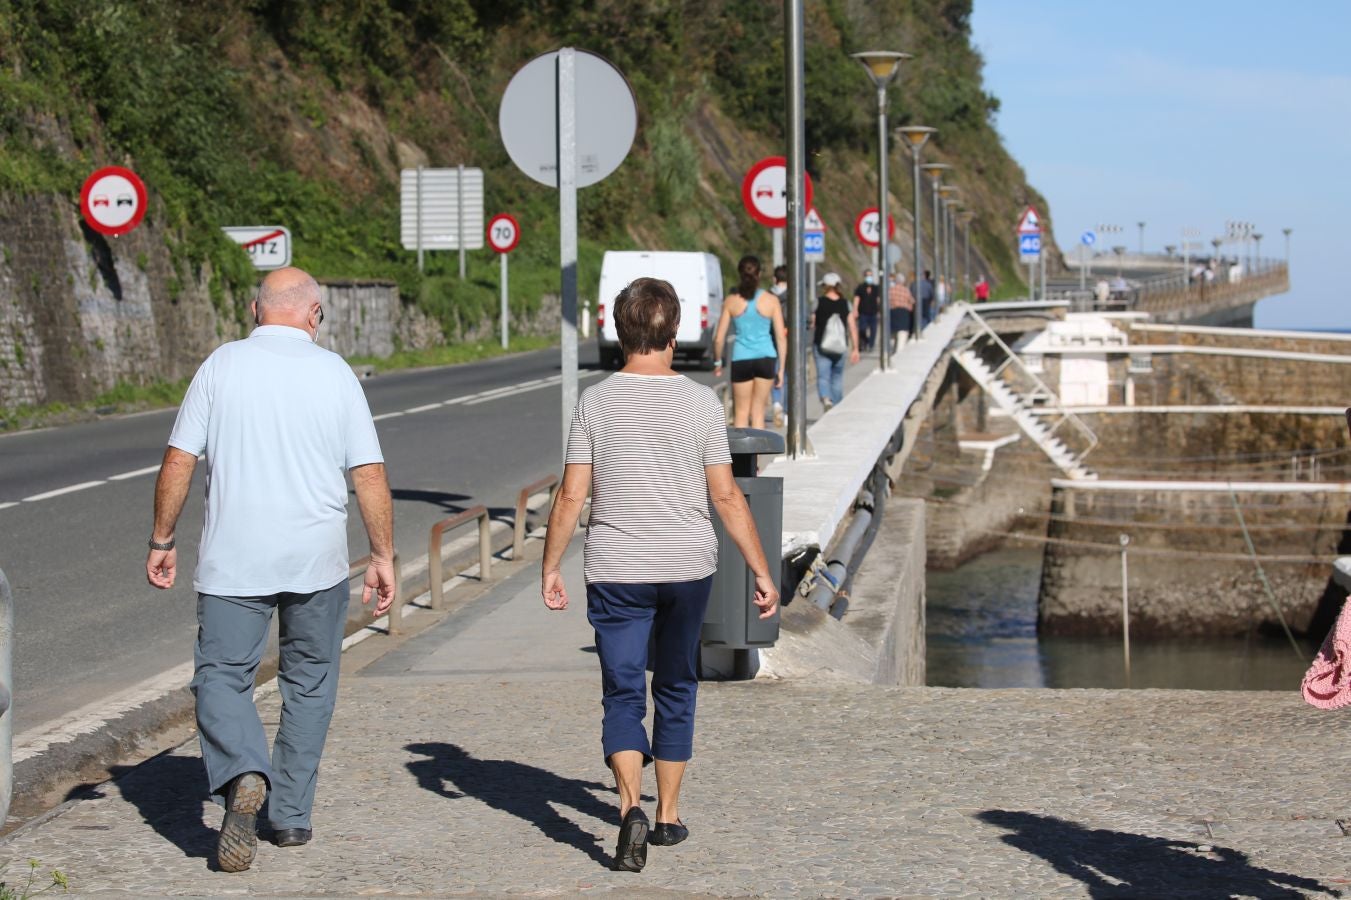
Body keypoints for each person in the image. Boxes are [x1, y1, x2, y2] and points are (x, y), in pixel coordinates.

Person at [145, 267, 395, 873]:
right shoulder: (336, 373)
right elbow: (368, 474)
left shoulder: (220, 366)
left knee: (220, 678)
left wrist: (162, 537)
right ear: (314, 315)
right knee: (309, 683)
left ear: (256, 310)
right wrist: (383, 555)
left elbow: (180, 460)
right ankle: (287, 817)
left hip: (235, 561)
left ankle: (243, 770)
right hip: (316, 562)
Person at [541, 277, 779, 872]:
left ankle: (629, 811)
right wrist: (760, 569)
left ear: (621, 333)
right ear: (675, 333)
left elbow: (573, 495)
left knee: (622, 691)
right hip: (685, 567)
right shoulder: (700, 403)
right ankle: (668, 815)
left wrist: (550, 566)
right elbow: (725, 497)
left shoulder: (594, 402)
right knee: (675, 684)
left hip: (616, 568)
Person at [713, 255, 785, 430]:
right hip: (766, 358)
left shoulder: (731, 301)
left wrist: (718, 362)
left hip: (741, 358)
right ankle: (758, 458)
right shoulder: (771, 300)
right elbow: (781, 336)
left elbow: (719, 338)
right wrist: (781, 369)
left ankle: (741, 458)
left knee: (741, 413)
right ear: (759, 274)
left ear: (740, 274)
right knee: (758, 412)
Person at [810, 272, 860, 410]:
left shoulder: (818, 302)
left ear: (825, 286)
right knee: (837, 378)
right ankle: (837, 407)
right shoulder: (845, 304)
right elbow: (852, 327)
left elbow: (812, 323)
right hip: (840, 346)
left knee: (823, 376)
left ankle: (826, 399)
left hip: (822, 345)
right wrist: (855, 348)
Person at [769, 264, 788, 426]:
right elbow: (806, 319)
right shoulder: (795, 295)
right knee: (789, 373)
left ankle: (776, 403)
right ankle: (787, 411)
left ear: (775, 279)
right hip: (790, 338)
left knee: (775, 372)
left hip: (770, 337)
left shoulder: (768, 295)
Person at [852, 268, 880, 353]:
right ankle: (865, 342)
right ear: (864, 277)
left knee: (873, 330)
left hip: (873, 313)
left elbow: (878, 300)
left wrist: (879, 310)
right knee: (862, 329)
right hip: (863, 313)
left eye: (870, 276)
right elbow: (857, 299)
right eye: (868, 276)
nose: (869, 277)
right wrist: (855, 310)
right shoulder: (860, 288)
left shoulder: (876, 288)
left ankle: (871, 345)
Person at [888, 270, 915, 353]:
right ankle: (899, 353)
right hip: (903, 314)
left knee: (892, 335)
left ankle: (892, 351)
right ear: (903, 281)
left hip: (892, 314)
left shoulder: (890, 290)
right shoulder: (906, 290)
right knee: (902, 336)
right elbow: (912, 301)